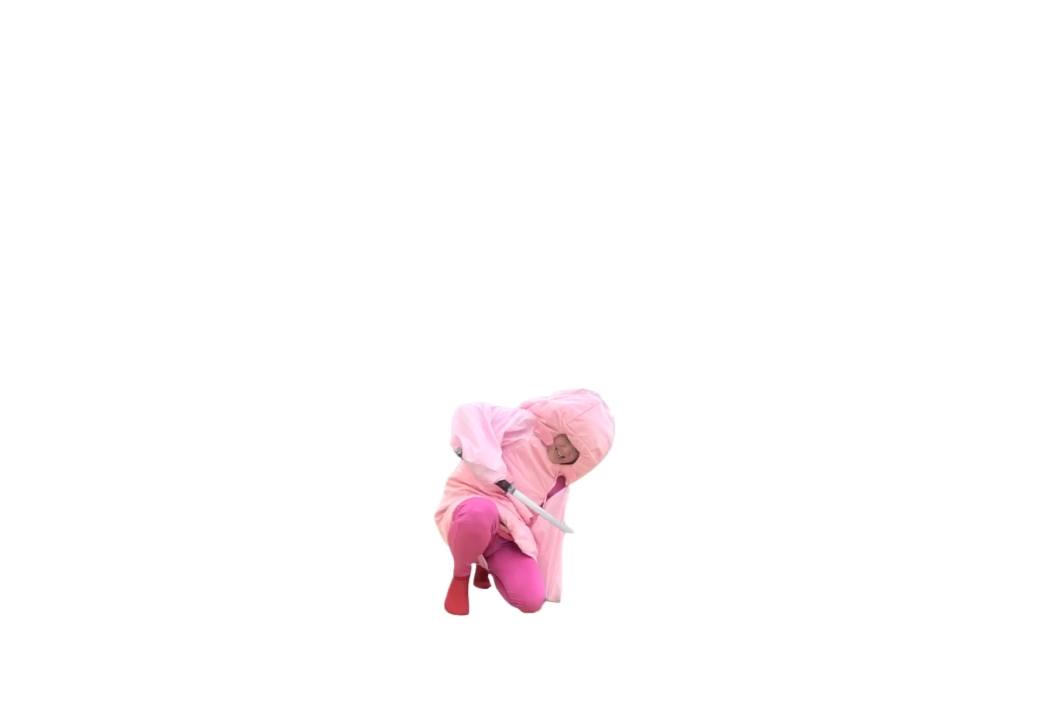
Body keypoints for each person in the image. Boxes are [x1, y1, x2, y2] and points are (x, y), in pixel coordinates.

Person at [433, 388, 615, 615]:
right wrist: (486, 464)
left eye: (576, 450)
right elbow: (468, 413)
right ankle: (460, 576)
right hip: (469, 505)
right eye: (568, 438)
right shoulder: (522, 426)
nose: (566, 449)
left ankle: (485, 563)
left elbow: (547, 535)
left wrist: (546, 587)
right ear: (558, 427)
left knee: (531, 601)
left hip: (508, 534)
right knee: (480, 512)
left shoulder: (557, 482)